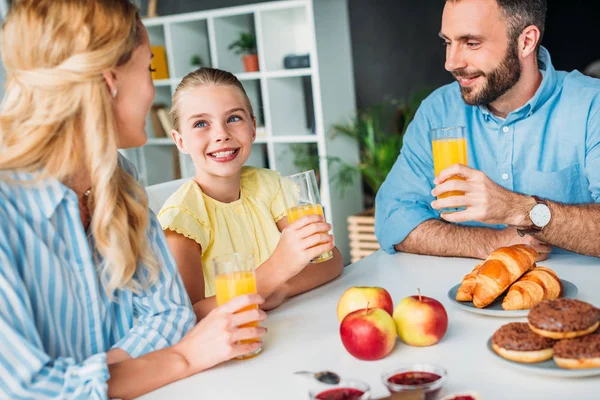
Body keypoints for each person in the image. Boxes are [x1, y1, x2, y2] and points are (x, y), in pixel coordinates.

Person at [0, 1, 266, 399]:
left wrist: (107, 380)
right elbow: (27, 389)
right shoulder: (8, 210)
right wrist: (184, 358)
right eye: (149, 69)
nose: (152, 88)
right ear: (111, 81)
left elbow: (170, 312)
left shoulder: (120, 177)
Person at [375, 0, 600, 261]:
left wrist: (519, 210)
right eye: (448, 42)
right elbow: (392, 218)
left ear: (526, 42)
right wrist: (490, 243)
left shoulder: (591, 106)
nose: (451, 62)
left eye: (472, 43)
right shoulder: (438, 111)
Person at [158, 67, 343, 319]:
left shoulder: (270, 186)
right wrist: (275, 273)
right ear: (180, 141)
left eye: (233, 118)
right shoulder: (182, 220)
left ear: (253, 128)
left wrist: (284, 287)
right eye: (201, 123)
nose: (221, 134)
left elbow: (330, 259)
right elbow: (188, 316)